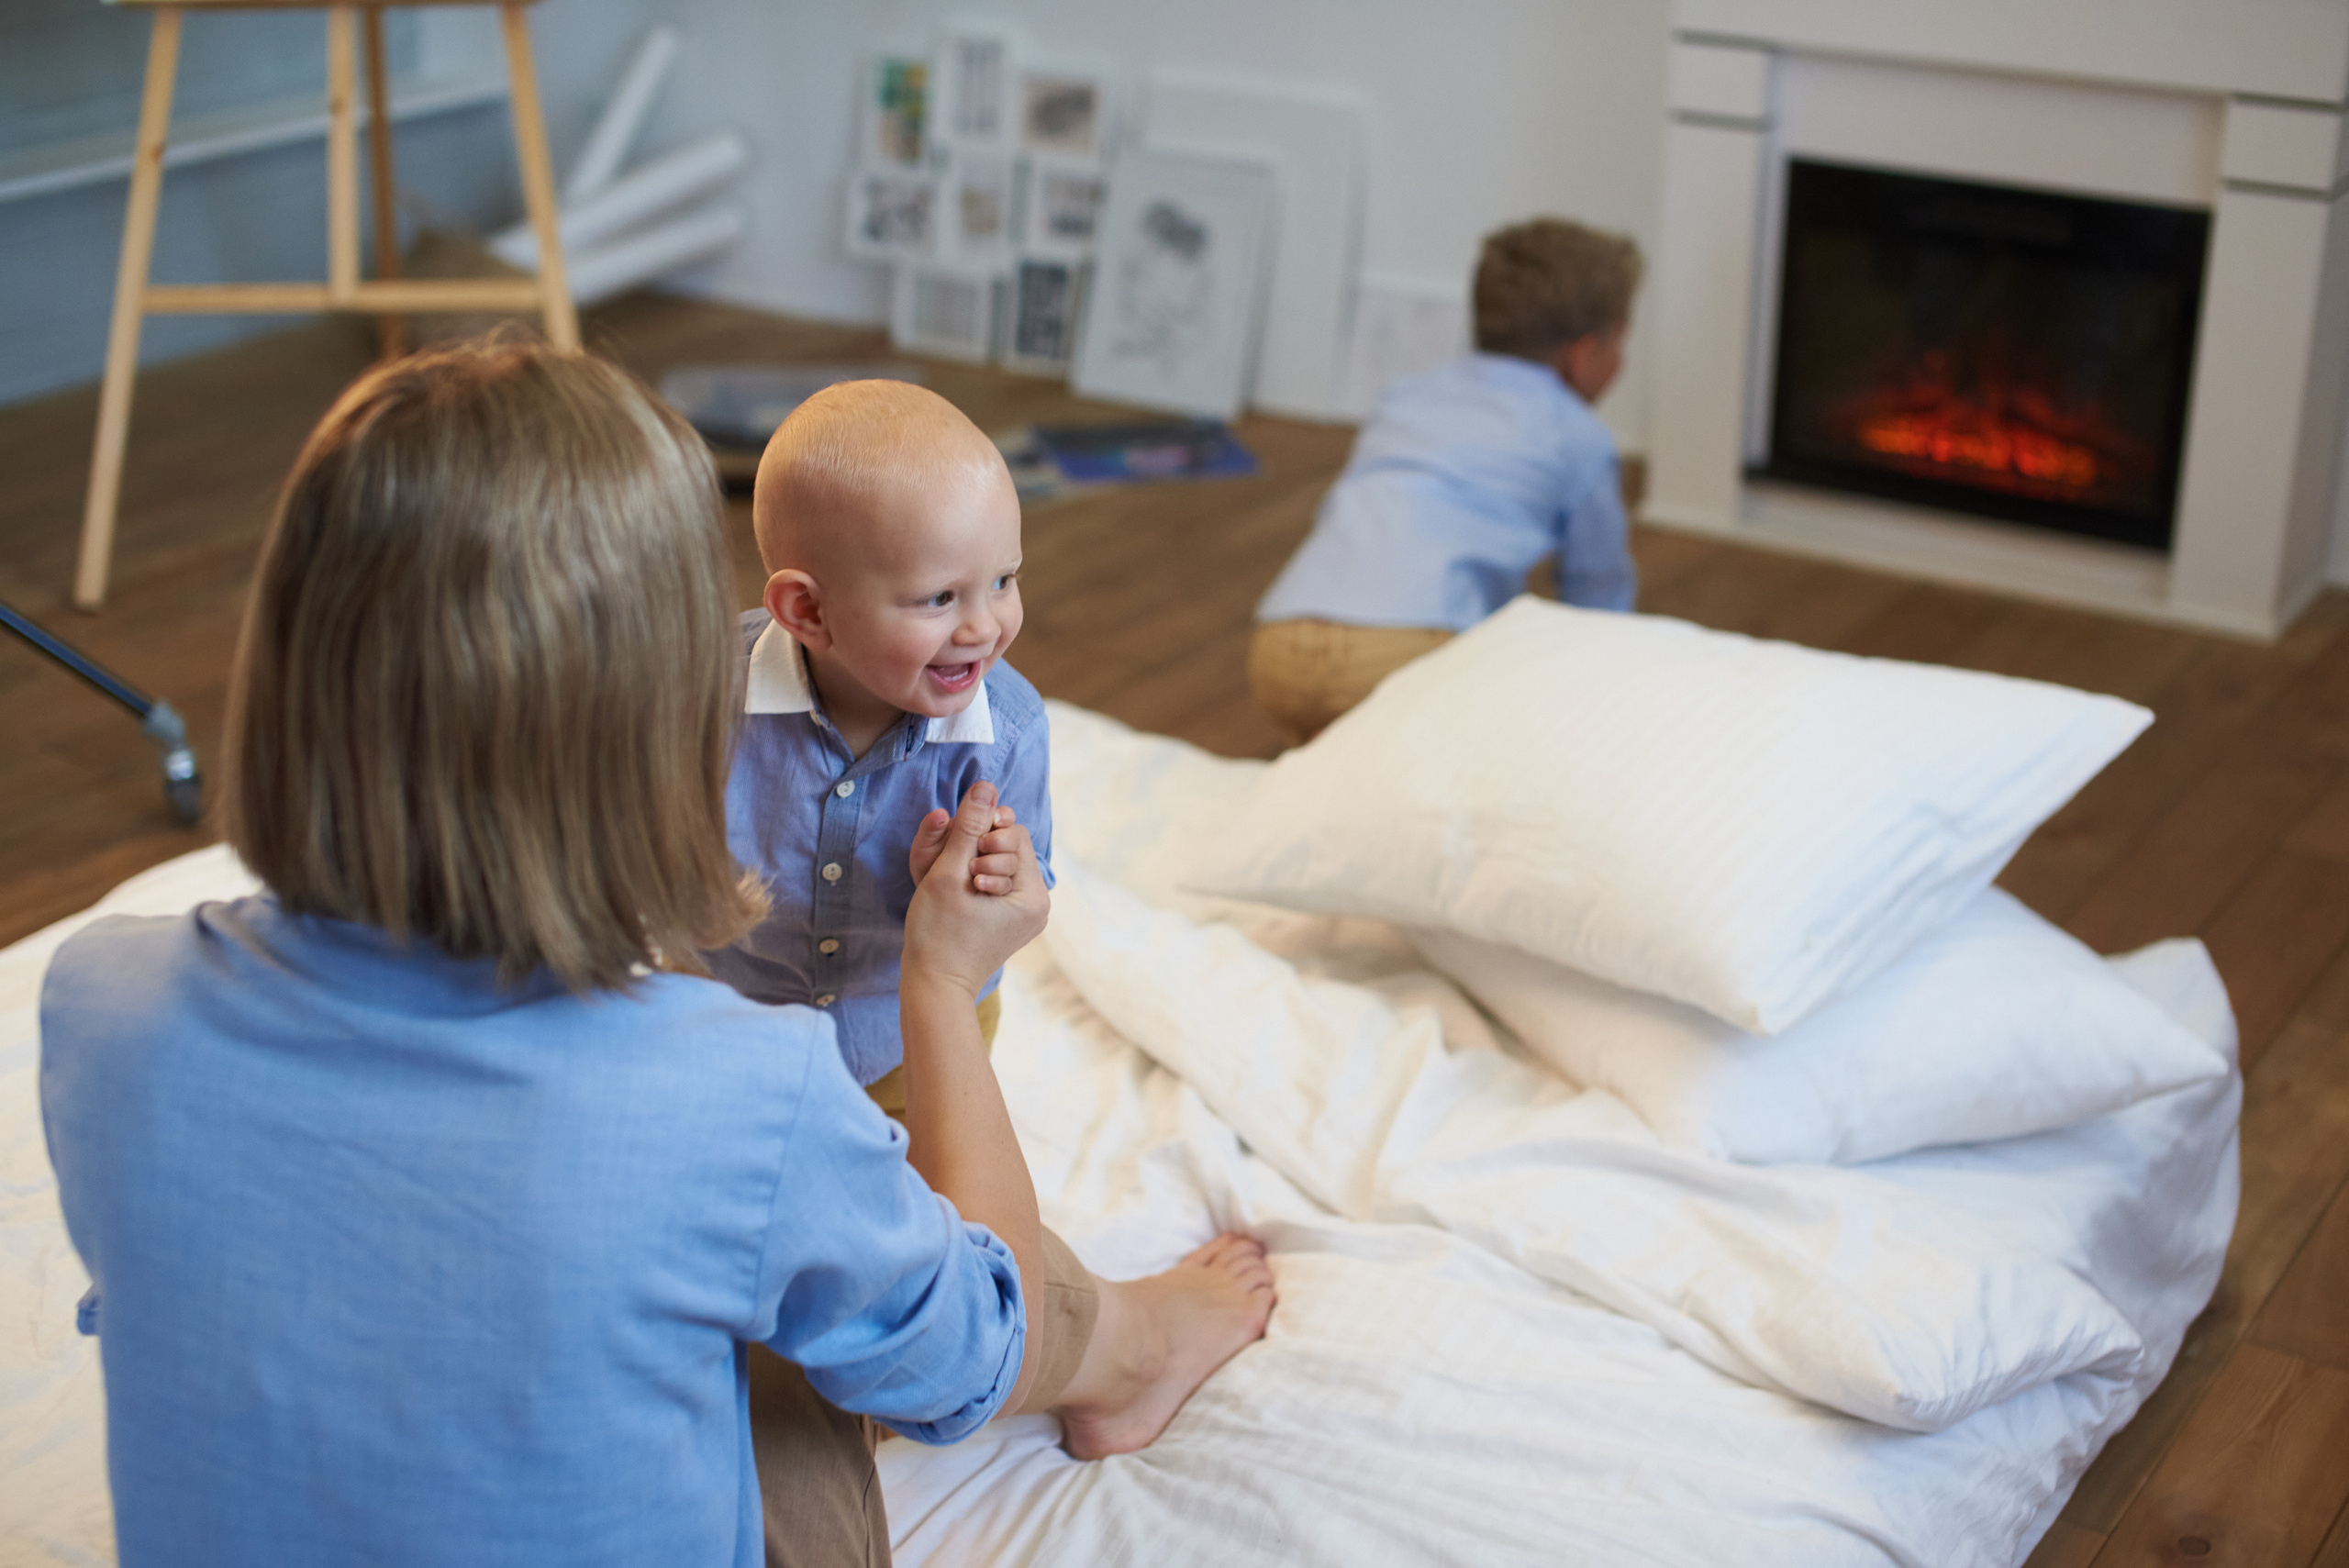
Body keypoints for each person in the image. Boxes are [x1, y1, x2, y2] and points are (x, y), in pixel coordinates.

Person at [34, 343, 1256, 1568]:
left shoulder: (103, 1001)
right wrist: (937, 979)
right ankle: (1130, 1347)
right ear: (657, 711)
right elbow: (970, 1352)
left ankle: (1122, 1345)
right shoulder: (740, 1098)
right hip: (802, 1207)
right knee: (814, 1293)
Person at [707, 379, 1274, 1507]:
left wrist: (1001, 878)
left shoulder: (1002, 727)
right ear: (805, 611)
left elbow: (1029, 882)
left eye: (1004, 580)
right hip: (737, 1031)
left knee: (918, 1229)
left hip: (905, 1037)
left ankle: (1038, 1349)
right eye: (939, 597)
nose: (986, 624)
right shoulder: (698, 696)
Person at [1250, 217, 1644, 740]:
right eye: (1620, 344)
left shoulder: (1407, 394)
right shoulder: (1578, 436)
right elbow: (1597, 589)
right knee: (1499, 734)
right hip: (1407, 648)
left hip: (1280, 644)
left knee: (1347, 744)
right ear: (1585, 355)